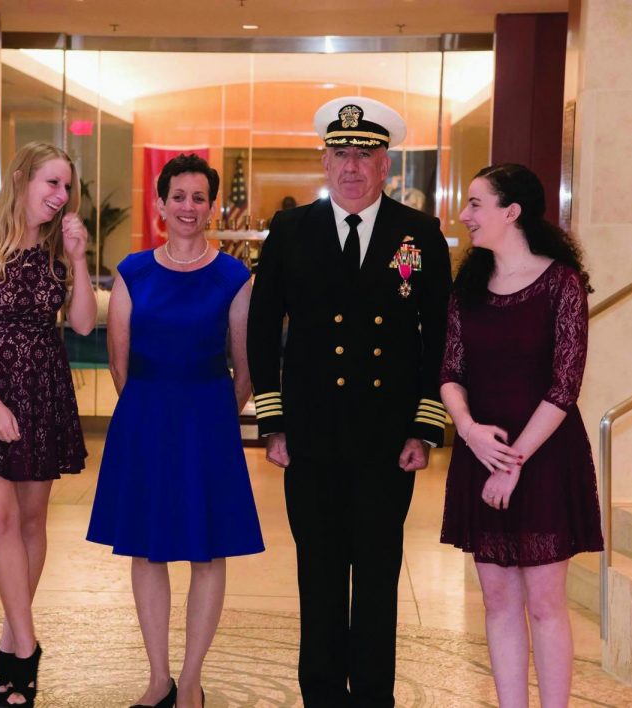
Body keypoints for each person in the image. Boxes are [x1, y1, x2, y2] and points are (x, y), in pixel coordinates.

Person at [247, 96, 452, 707]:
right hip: (309, 437)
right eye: (340, 155)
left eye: (364, 155)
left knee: (378, 577)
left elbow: (439, 334)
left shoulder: (419, 234)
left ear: (386, 163)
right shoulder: (290, 230)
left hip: (387, 442)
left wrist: (426, 425)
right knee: (319, 575)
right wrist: (272, 420)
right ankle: (320, 698)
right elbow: (262, 329)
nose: (351, 168)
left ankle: (372, 698)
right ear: (325, 160)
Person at [87, 153, 264, 708]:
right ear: (160, 204)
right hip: (145, 422)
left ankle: (191, 681)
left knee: (208, 552)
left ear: (212, 206)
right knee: (149, 550)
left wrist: (213, 415)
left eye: (198, 197)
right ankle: (158, 676)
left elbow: (246, 365)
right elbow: (119, 363)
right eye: (178, 196)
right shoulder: (133, 272)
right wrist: (152, 412)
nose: (188, 207)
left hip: (208, 425)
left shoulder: (235, 276)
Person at [0, 142, 96, 707]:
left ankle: (10, 637)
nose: (60, 196)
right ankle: (26, 649)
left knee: (32, 522)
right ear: (22, 179)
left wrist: (78, 258)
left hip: (43, 393)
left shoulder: (56, 251)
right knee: (0, 520)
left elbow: (80, 325)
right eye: (51, 183)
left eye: (66, 188)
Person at [440, 163, 603, 707]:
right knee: (498, 602)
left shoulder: (562, 283)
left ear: (512, 212)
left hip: (543, 460)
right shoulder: (468, 288)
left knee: (545, 604)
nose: (465, 215)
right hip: (481, 454)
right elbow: (450, 373)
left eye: (476, 204)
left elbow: (564, 386)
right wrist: (467, 430)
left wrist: (512, 462)